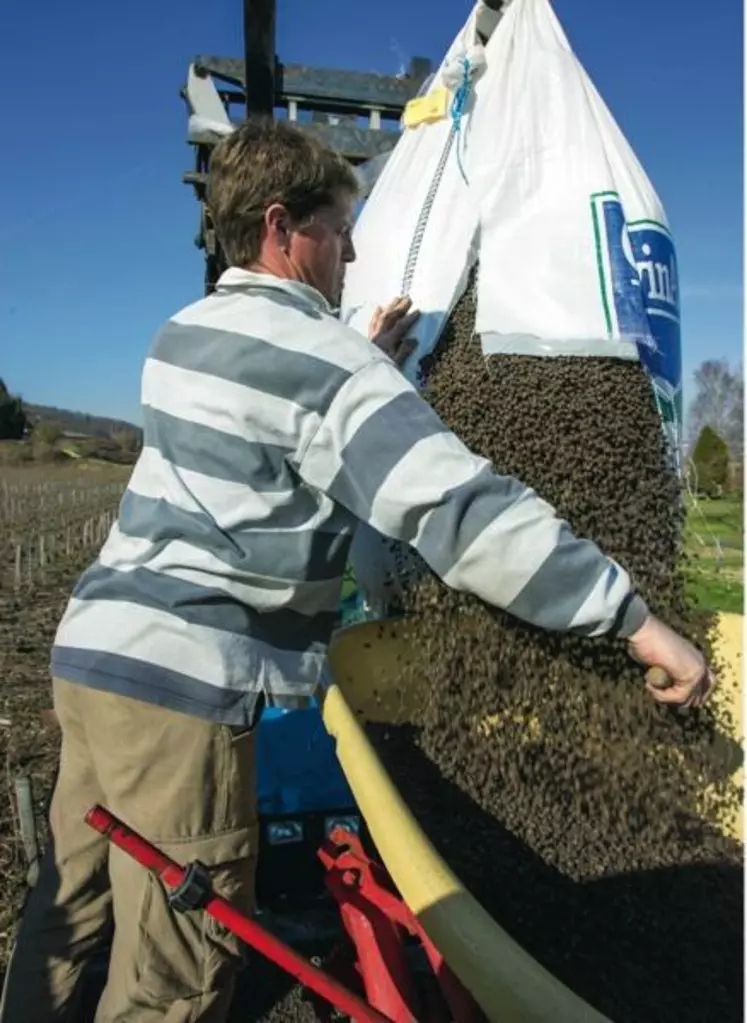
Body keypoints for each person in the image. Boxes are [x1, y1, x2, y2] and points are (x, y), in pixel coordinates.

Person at [0, 118, 714, 1023]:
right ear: (280, 227)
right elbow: (460, 508)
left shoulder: (184, 333)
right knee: (176, 971)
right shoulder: (323, 363)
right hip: (179, 696)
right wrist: (634, 619)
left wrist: (360, 363)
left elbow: (269, 433)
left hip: (92, 663)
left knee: (67, 915)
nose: (350, 253)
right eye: (338, 231)